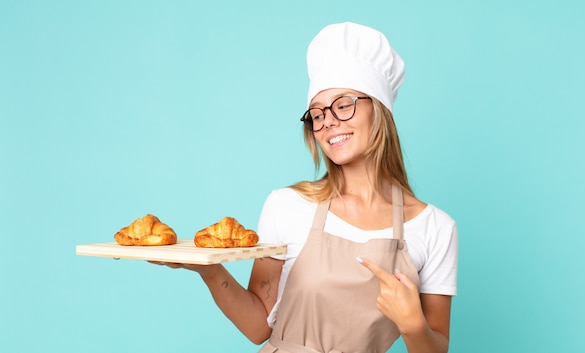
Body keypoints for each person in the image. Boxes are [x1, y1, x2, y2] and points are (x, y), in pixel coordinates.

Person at [156, 22, 458, 353]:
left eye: (343, 105)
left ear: (380, 110)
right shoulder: (286, 206)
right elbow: (259, 328)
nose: (327, 120)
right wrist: (211, 271)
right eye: (317, 113)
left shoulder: (435, 228)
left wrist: (413, 324)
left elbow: (436, 345)